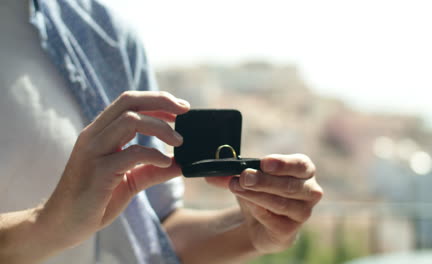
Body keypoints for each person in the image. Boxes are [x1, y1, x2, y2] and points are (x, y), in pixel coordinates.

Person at [0, 0, 323, 263]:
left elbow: (155, 233)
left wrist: (251, 230)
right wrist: (44, 226)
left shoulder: (102, 32)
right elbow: (58, 224)